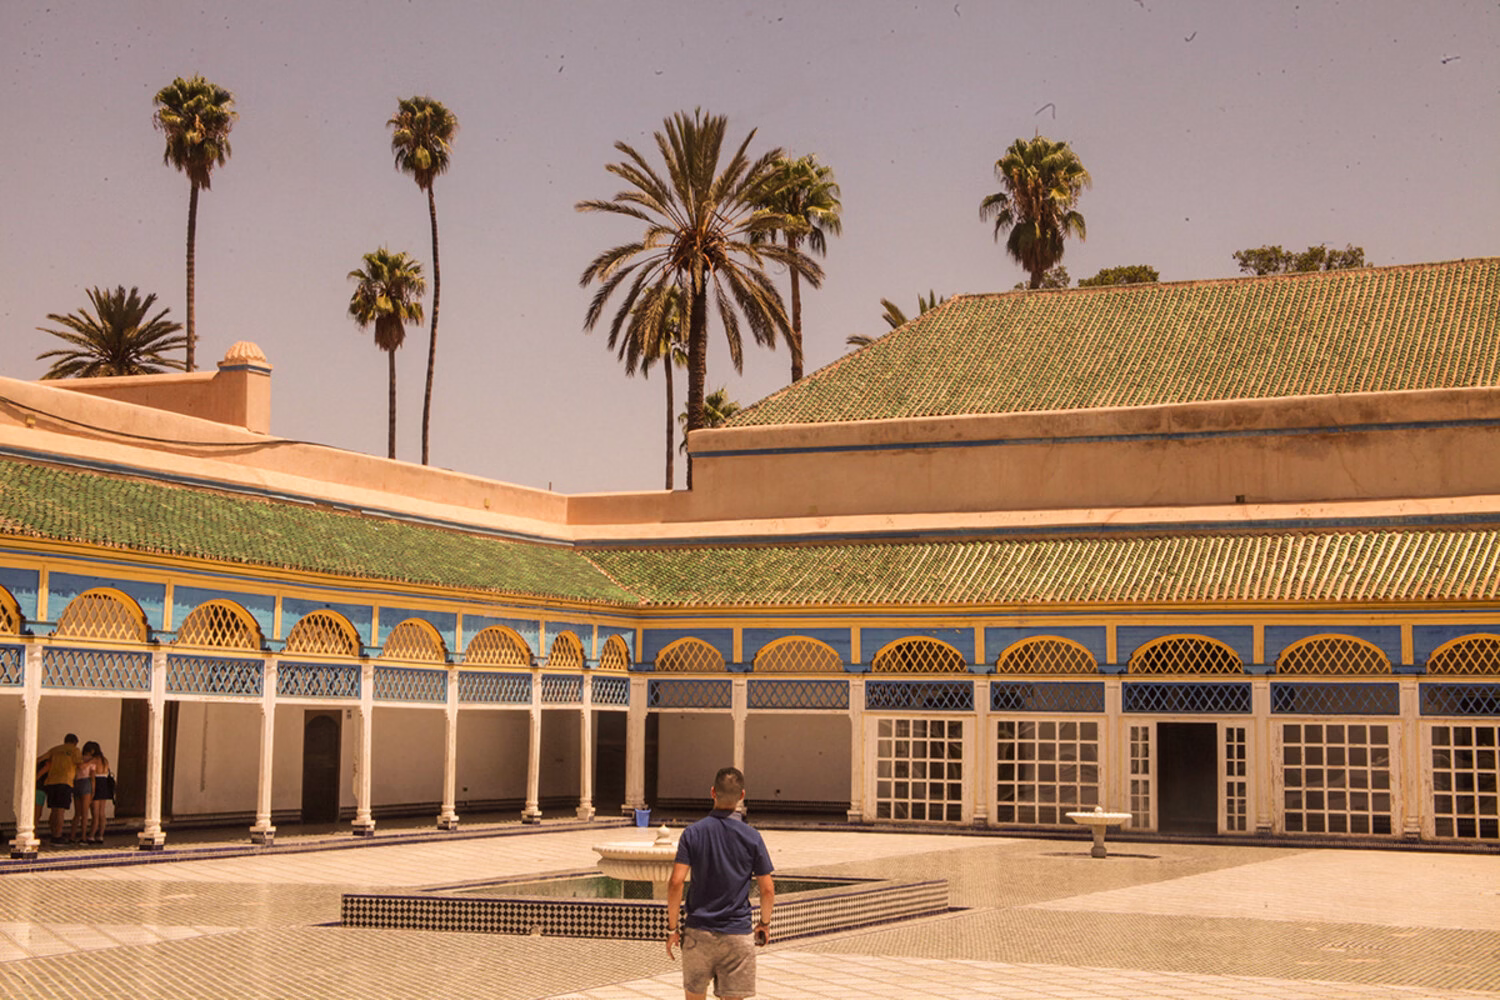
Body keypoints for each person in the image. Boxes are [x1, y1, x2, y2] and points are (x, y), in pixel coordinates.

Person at [666, 767, 775, 1000]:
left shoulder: (692, 833)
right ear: (742, 796)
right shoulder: (752, 837)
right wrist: (764, 924)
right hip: (737, 934)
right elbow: (767, 889)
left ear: (712, 792)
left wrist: (672, 929)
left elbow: (676, 882)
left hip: (698, 933)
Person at [37, 733, 82, 846]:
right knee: (60, 810)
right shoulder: (75, 750)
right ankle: (57, 836)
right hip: (65, 781)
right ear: (75, 742)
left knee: (53, 809)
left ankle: (53, 833)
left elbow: (39, 759)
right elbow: (80, 764)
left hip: (51, 782)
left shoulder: (55, 750)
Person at [71, 742, 99, 844]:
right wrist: (93, 791)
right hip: (86, 783)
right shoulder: (92, 762)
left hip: (76, 782)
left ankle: (72, 836)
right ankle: (83, 836)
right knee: (85, 813)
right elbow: (92, 777)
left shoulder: (79, 759)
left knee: (77, 813)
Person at [87, 744, 114, 844]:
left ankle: (91, 835)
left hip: (97, 783)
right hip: (104, 784)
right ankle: (101, 835)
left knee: (95, 813)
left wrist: (92, 792)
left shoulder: (94, 760)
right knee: (102, 813)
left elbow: (92, 777)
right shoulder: (104, 760)